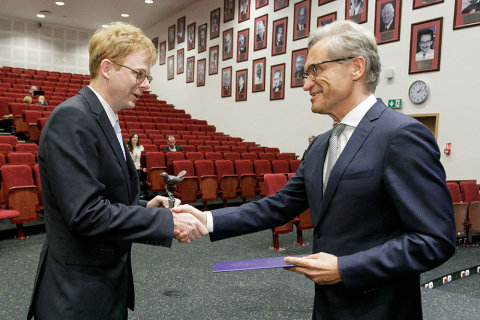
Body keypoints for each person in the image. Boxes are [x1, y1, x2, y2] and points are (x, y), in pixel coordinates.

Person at [174, 20, 456, 319]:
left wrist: (345, 268)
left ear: (356, 67)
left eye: (315, 71)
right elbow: (280, 205)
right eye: (306, 74)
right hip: (328, 307)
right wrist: (207, 219)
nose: (306, 83)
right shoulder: (322, 144)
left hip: (381, 308)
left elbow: (434, 240)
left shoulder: (401, 135)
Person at [27, 22, 207, 320]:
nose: (147, 84)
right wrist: (161, 219)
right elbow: (86, 214)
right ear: (107, 68)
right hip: (77, 295)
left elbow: (102, 195)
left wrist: (147, 205)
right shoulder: (73, 118)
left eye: (147, 76)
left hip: (102, 285)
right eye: (139, 74)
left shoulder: (105, 119)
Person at [127, 132, 147, 196]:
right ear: (131, 139)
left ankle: (144, 191)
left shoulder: (141, 147)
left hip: (140, 165)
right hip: (131, 166)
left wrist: (144, 166)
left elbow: (143, 158)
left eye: (136, 138)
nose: (135, 139)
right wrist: (132, 159)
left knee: (145, 173)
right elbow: (126, 159)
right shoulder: (127, 147)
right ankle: (138, 192)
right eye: (134, 137)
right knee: (138, 173)